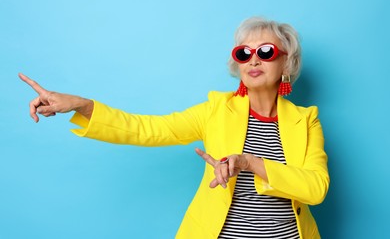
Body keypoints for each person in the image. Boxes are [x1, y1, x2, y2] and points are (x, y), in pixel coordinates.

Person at [20, 17, 330, 238]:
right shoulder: (215, 111)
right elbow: (149, 129)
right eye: (243, 53)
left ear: (287, 64)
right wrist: (83, 105)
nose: (253, 60)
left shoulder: (306, 120)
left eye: (265, 52)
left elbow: (315, 189)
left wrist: (249, 162)